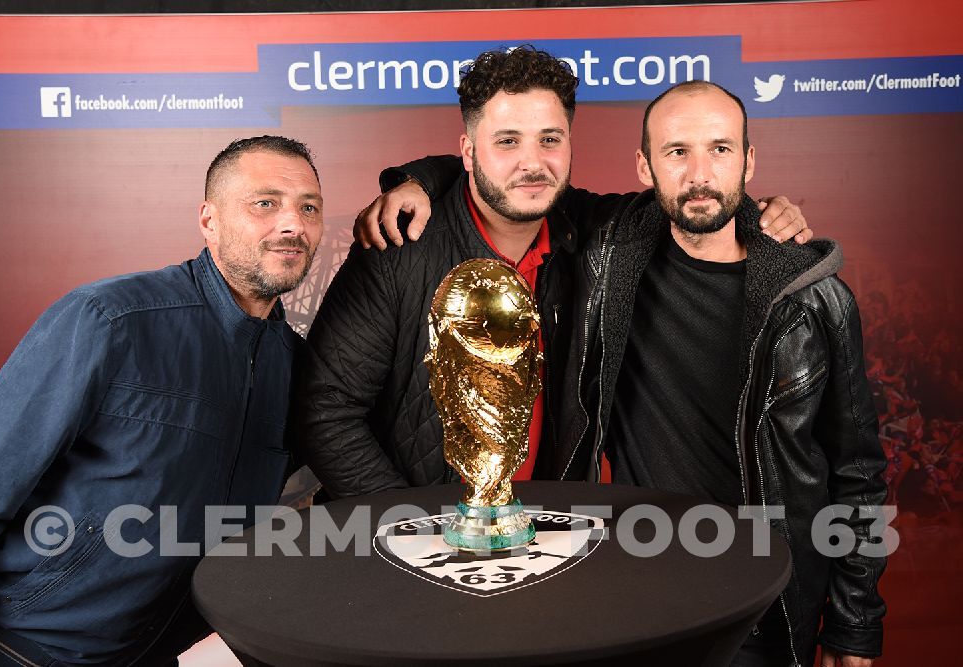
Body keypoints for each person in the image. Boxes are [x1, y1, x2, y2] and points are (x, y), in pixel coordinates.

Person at [299, 46, 810, 499]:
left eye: (549, 139)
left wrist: (760, 214)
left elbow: (692, 198)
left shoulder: (593, 237)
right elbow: (326, 410)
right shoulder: (400, 245)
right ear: (468, 151)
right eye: (506, 142)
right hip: (421, 544)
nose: (532, 163)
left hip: (545, 538)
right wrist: (410, 526)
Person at [0, 136, 323, 665]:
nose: (292, 224)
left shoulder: (295, 363)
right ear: (210, 219)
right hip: (21, 646)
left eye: (309, 207)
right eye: (265, 203)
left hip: (159, 653)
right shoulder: (110, 319)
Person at [569, 81, 886, 666]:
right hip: (636, 600)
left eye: (720, 149)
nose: (699, 174)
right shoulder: (609, 264)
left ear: (749, 159)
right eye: (676, 152)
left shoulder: (814, 302)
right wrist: (413, 181)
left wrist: (855, 624)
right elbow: (508, 180)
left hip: (766, 607)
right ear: (644, 166)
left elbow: (858, 473)